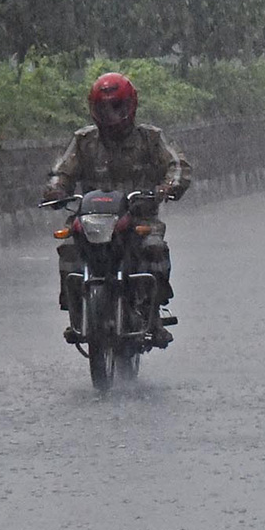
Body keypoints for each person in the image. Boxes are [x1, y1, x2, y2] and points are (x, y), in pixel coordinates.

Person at [43, 72, 192, 346]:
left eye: (117, 108)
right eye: (104, 109)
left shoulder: (150, 138)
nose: (111, 116)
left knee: (153, 247)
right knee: (69, 249)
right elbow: (61, 170)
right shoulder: (84, 141)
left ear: (130, 106)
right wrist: (56, 188)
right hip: (91, 218)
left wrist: (169, 186)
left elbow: (176, 165)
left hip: (138, 216)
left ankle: (153, 313)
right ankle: (76, 311)